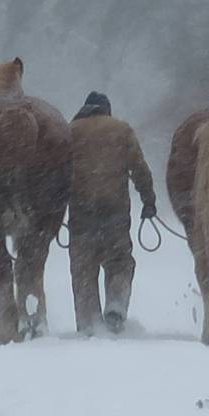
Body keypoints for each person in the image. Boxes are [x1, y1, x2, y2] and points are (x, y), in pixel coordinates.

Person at [69, 91, 156, 333]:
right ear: (107, 109)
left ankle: (88, 323)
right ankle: (116, 304)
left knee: (83, 268)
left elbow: (55, 175)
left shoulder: (70, 132)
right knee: (119, 262)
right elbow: (139, 168)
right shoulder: (121, 130)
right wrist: (148, 200)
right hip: (114, 212)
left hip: (81, 213)